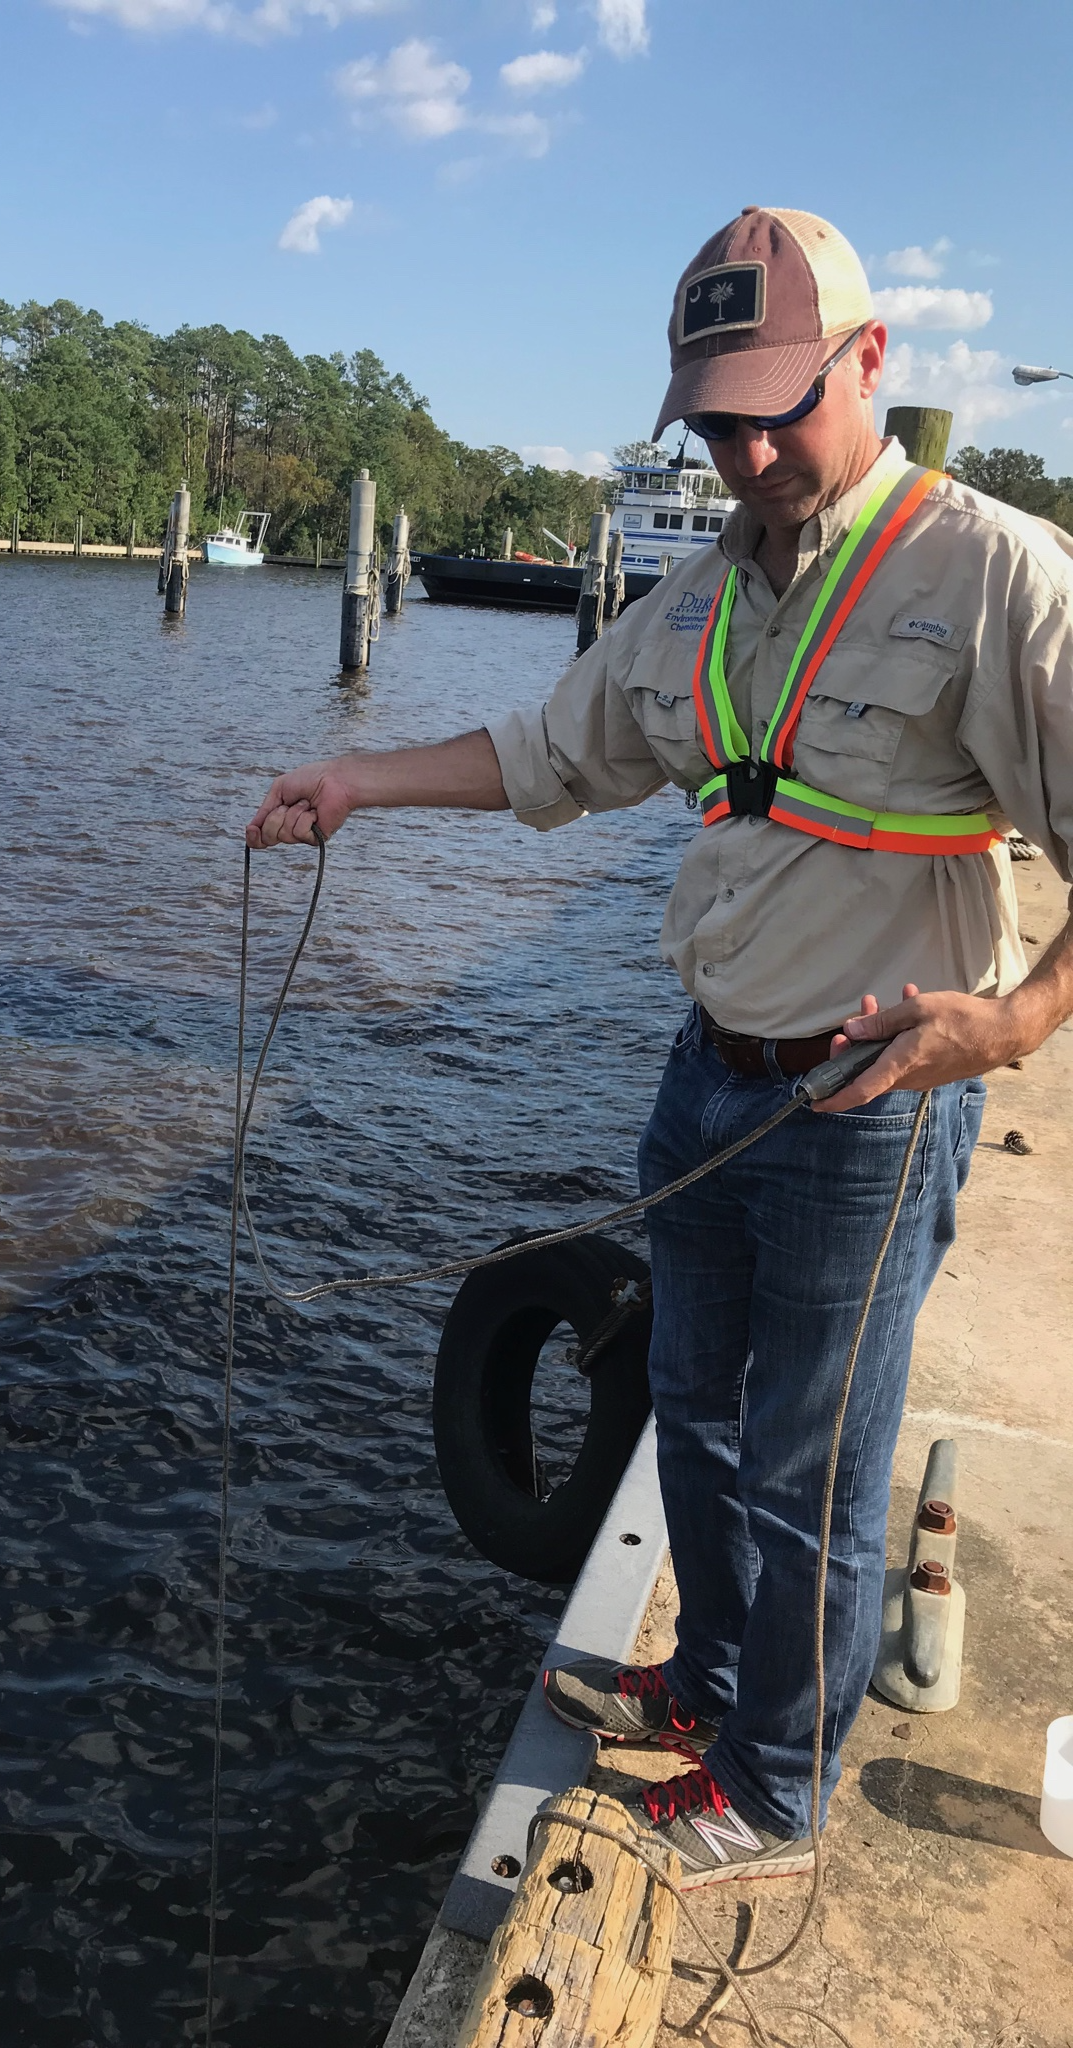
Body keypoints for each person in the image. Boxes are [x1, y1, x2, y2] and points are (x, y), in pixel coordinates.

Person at [246, 207, 1073, 1887]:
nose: (751, 449)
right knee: (688, 1410)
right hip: (710, 1074)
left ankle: (776, 1789)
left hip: (869, 1103)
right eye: (715, 419)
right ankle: (700, 1690)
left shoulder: (996, 575)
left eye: (779, 405)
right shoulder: (699, 595)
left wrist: (1012, 1020)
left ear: (872, 363)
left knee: (810, 1466)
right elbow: (550, 750)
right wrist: (355, 785)